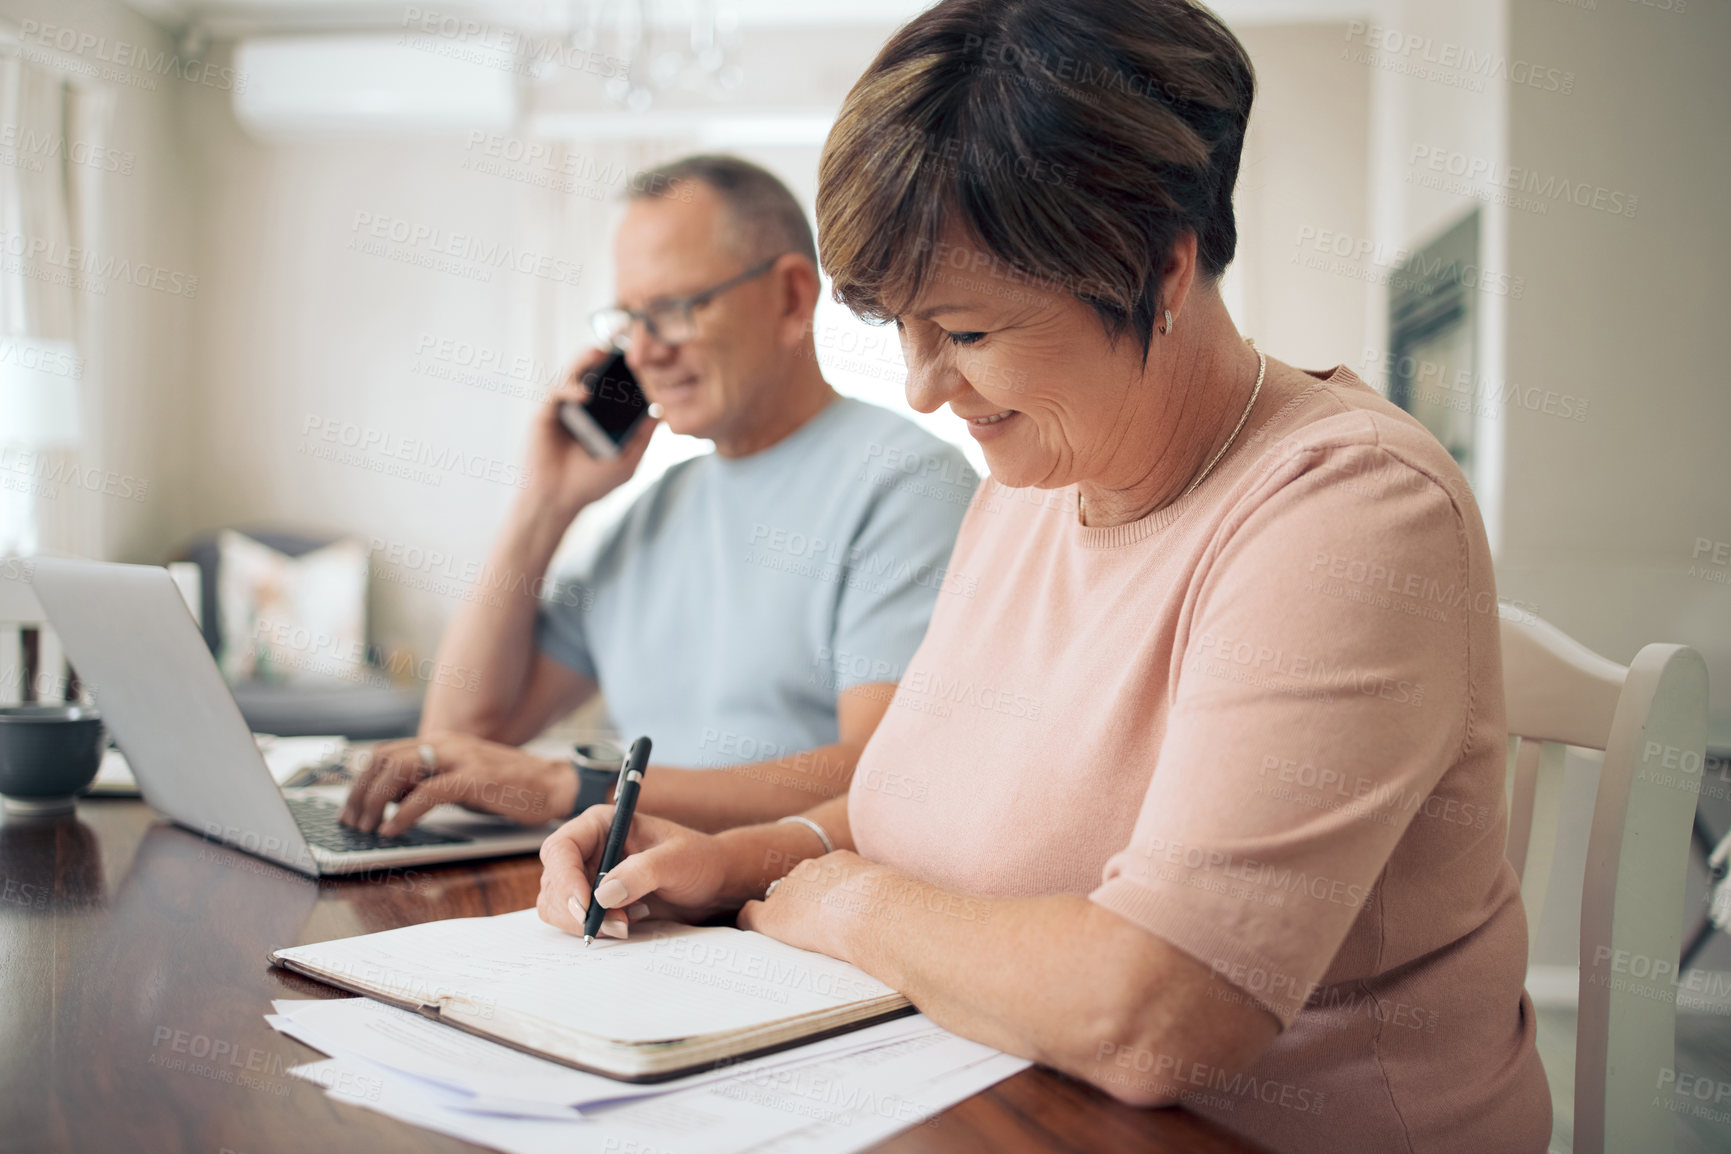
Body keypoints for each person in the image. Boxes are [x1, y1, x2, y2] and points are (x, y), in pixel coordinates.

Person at [532, 4, 1552, 1153]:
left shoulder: (1352, 509)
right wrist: (737, 860)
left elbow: (1159, 1009)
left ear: (1157, 267)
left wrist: (846, 902)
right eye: (902, 328)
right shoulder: (1024, 486)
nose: (922, 387)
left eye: (963, 332)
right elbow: (905, 811)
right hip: (996, 1091)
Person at [341, 155, 977, 838]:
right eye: (628, 319)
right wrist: (544, 505)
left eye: (672, 311)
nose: (641, 353)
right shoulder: (646, 515)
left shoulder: (908, 485)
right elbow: (461, 742)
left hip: (790, 920)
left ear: (791, 297)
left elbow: (880, 774)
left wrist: (579, 787)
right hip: (635, 904)